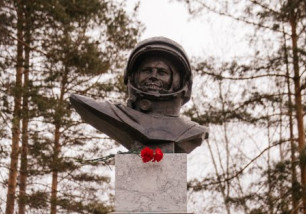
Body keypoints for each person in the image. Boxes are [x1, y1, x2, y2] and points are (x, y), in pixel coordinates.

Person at [69, 36, 208, 154]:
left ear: (180, 82)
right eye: (147, 70)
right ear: (132, 76)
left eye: (162, 72)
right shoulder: (117, 114)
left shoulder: (190, 131)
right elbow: (77, 100)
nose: (153, 76)